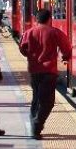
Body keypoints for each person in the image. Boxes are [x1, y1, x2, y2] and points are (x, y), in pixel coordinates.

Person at [19, 9, 71, 140]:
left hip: (34, 70)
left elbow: (22, 48)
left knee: (36, 98)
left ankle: (34, 126)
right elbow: (66, 47)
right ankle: (37, 125)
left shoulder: (28, 32)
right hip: (49, 71)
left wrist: (30, 56)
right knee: (48, 102)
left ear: (36, 19)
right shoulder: (54, 32)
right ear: (49, 19)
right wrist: (65, 57)